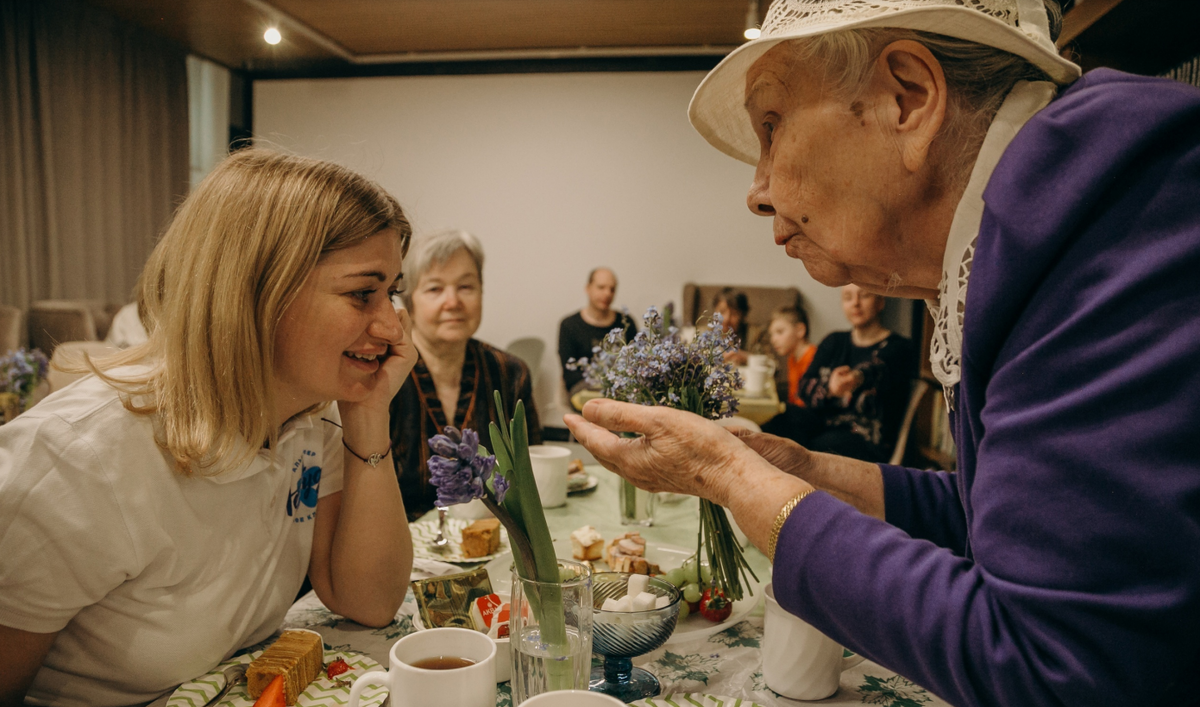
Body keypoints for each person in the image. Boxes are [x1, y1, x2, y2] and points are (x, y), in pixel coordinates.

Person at [565, 0, 1200, 704]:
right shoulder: (1043, 229)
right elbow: (993, 523)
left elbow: (1051, 665)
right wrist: (801, 469)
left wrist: (732, 477)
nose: (756, 191)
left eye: (772, 126)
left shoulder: (1124, 215)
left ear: (909, 98)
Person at [0, 149, 417, 706]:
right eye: (363, 292)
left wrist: (368, 411)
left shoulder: (309, 421)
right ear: (257, 290)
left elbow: (368, 600)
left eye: (392, 292)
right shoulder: (78, 458)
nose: (392, 326)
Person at [389, 229, 541, 521]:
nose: (453, 302)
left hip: (496, 541)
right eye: (434, 289)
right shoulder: (383, 377)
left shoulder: (511, 373)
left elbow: (530, 476)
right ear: (409, 302)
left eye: (466, 287)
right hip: (403, 549)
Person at [764, 285, 915, 463]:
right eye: (848, 297)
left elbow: (878, 368)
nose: (855, 304)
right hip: (824, 426)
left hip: (864, 438)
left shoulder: (898, 347)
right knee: (779, 418)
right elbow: (804, 387)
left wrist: (856, 378)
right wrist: (830, 388)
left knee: (820, 446)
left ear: (880, 302)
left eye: (864, 295)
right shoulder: (834, 341)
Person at [557, 267, 637, 394]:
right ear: (588, 288)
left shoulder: (626, 322)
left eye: (612, 289)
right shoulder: (569, 325)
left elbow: (636, 362)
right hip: (585, 389)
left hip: (622, 388)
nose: (607, 293)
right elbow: (570, 375)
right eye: (601, 287)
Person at [766, 303, 815, 405]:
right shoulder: (792, 358)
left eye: (780, 332)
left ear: (800, 330)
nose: (773, 340)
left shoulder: (812, 357)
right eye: (772, 334)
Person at [712, 287, 762, 365]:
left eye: (734, 314)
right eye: (722, 311)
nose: (726, 319)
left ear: (743, 316)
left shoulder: (755, 334)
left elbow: (772, 365)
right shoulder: (702, 333)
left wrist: (746, 357)